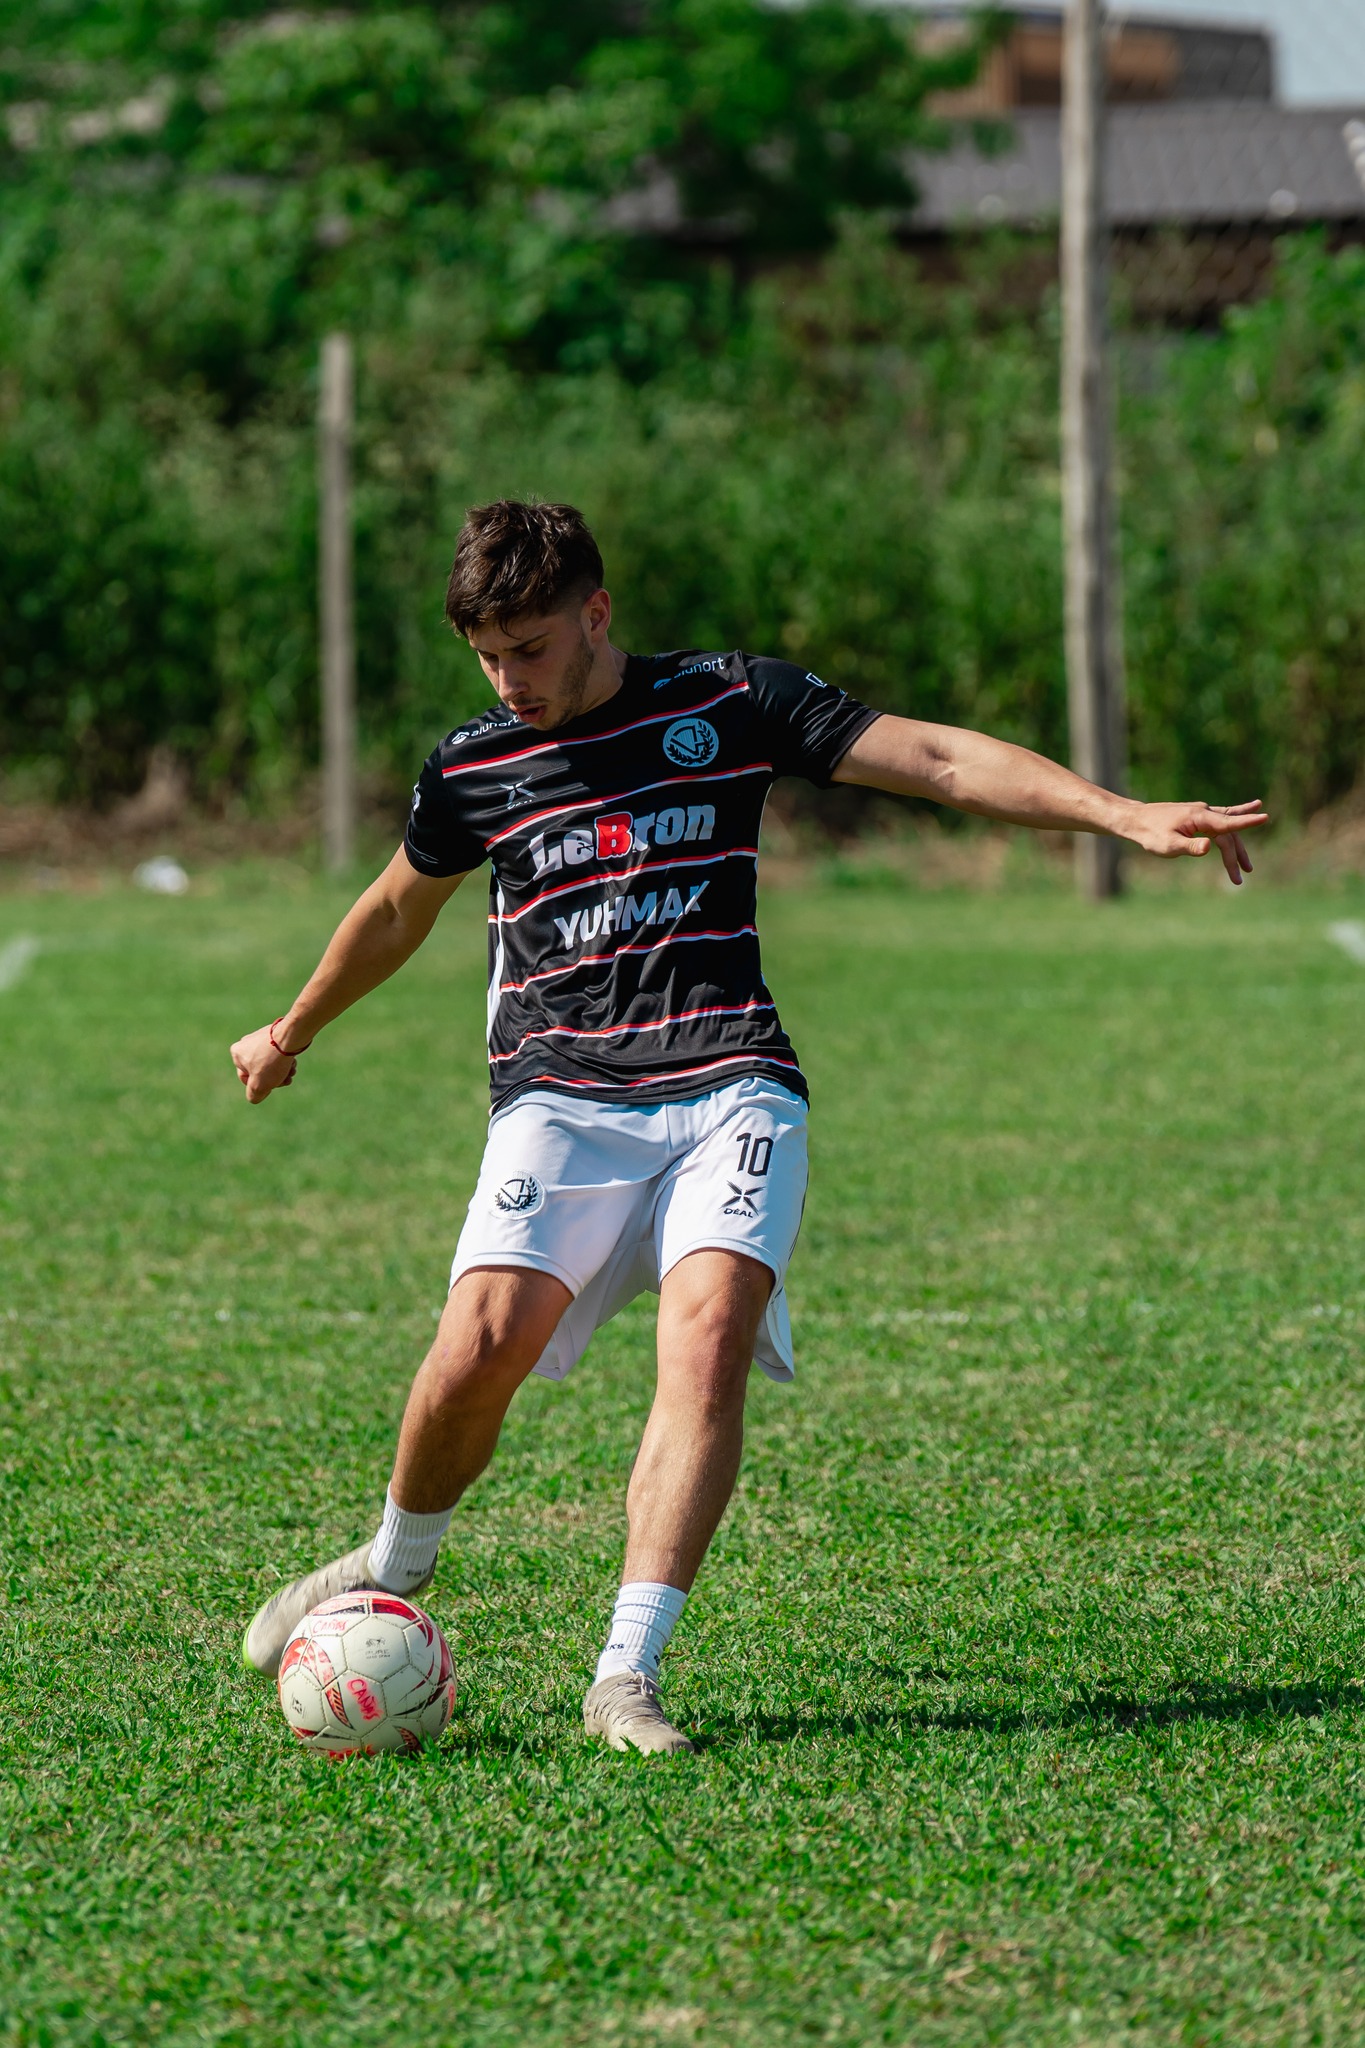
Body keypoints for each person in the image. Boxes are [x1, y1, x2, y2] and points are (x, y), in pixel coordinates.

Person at [232, 499, 1266, 1756]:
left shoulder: (727, 700)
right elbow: (398, 910)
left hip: (731, 1079)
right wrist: (290, 1030)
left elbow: (934, 759)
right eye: (490, 654)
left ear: (597, 613)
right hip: (560, 1090)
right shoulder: (472, 763)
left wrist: (1121, 812)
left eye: (536, 646)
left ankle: (626, 1675)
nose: (514, 679)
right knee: (479, 1344)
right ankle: (394, 1557)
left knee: (709, 1332)